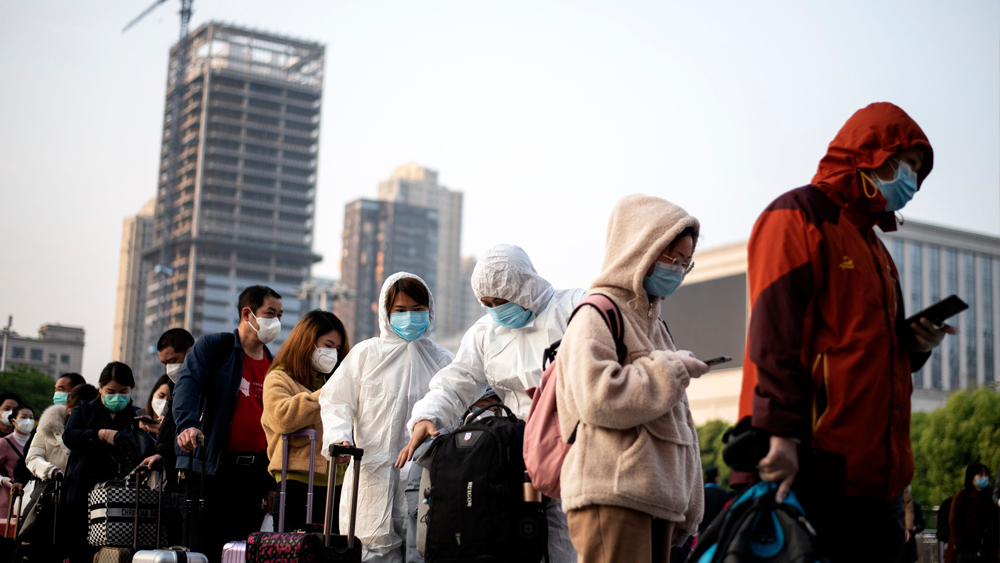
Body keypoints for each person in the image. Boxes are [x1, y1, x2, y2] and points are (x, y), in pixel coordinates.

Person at [735, 102, 955, 562]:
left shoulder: (874, 246)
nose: (912, 181)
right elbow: (774, 334)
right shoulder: (798, 216)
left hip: (882, 483)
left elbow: (866, 352)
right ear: (873, 153)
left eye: (919, 170)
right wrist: (779, 434)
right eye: (907, 165)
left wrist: (913, 346)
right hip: (814, 470)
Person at [398, 244, 586, 563]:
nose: (496, 308)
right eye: (487, 303)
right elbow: (457, 380)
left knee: (575, 539)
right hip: (521, 452)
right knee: (528, 540)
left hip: (581, 446)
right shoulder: (486, 332)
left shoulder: (575, 308)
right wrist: (428, 416)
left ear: (524, 284)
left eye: (501, 300)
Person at [554, 194, 708, 563]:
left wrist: (689, 507)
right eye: (673, 258)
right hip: (614, 497)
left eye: (686, 263)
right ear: (641, 248)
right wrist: (672, 369)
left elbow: (677, 423)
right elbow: (597, 397)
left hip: (654, 503)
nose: (679, 270)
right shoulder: (597, 313)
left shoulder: (655, 325)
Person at [321, 273, 453, 563]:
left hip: (426, 479)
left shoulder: (443, 361)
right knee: (371, 551)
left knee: (423, 549)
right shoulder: (366, 354)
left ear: (429, 311)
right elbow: (335, 399)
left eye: (418, 310)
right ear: (386, 312)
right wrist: (340, 436)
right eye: (401, 311)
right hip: (372, 477)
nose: (410, 317)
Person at [172, 286, 281, 557]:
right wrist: (186, 425)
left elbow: (276, 425)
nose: (276, 322)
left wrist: (272, 482)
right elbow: (188, 385)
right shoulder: (215, 347)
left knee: (242, 550)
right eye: (270, 313)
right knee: (206, 547)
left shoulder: (275, 364)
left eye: (279, 315)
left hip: (254, 473)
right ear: (247, 313)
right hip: (214, 468)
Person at [262, 310, 350, 533]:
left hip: (337, 485)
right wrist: (326, 394)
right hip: (296, 484)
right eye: (328, 345)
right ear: (306, 341)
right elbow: (283, 418)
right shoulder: (279, 378)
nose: (333, 354)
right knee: (294, 552)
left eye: (338, 349)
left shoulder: (330, 382)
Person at [63, 362, 141, 563]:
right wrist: (100, 434)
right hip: (85, 490)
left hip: (122, 493)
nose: (117, 397)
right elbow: (69, 437)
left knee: (116, 547)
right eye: (110, 391)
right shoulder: (85, 409)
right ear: (100, 388)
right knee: (82, 547)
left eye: (123, 391)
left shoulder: (137, 415)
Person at [139, 328, 195, 549]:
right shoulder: (178, 385)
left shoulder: (202, 386)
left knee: (188, 547)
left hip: (189, 484)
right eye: (164, 363)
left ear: (189, 352)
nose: (170, 368)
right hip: (171, 481)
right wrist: (160, 452)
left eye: (173, 360)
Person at [27, 384, 98, 482]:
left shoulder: (98, 429)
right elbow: (32, 458)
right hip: (54, 487)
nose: (79, 411)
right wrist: (52, 471)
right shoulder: (49, 425)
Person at [945, 463, 999, 563]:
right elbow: (954, 522)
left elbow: (994, 522)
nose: (984, 478)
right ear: (972, 477)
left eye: (985, 475)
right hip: (965, 548)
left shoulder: (989, 497)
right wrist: (960, 545)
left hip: (985, 549)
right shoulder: (962, 496)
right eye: (980, 475)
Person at [0, 405, 34, 515]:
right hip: (8, 500)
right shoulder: (4, 443)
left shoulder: (36, 442)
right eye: (24, 417)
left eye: (31, 417)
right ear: (13, 421)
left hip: (30, 499)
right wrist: (4, 481)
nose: (28, 421)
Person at [700, 467, 735, 534]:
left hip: (701, 531)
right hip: (717, 530)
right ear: (716, 478)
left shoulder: (700, 493)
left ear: (705, 478)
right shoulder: (724, 493)